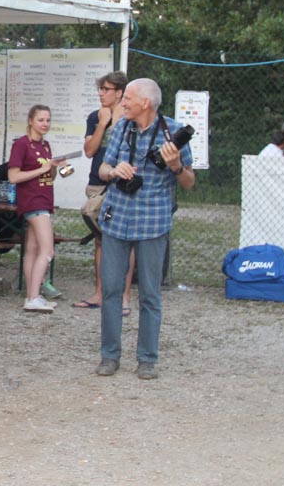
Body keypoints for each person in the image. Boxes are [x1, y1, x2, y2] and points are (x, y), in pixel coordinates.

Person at [95, 78, 195, 380]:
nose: (122, 102)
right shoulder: (121, 128)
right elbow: (102, 169)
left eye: (127, 98)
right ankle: (109, 356)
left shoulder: (173, 133)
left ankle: (147, 359)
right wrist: (114, 170)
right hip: (117, 218)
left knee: (150, 294)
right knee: (111, 290)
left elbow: (189, 183)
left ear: (145, 103)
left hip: (153, 222)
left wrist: (176, 166)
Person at [75, 71, 134, 315]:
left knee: (125, 241)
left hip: (122, 185)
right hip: (98, 184)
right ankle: (99, 293)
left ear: (119, 93)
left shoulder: (131, 118)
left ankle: (124, 297)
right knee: (100, 240)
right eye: (100, 89)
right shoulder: (94, 117)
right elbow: (89, 150)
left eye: (106, 89)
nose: (101, 93)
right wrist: (102, 123)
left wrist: (118, 120)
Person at [7, 105, 67, 313]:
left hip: (44, 198)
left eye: (48, 120)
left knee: (32, 249)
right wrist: (42, 169)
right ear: (31, 120)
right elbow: (13, 177)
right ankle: (33, 296)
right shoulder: (22, 144)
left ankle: (32, 295)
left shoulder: (46, 145)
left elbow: (49, 177)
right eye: (41, 120)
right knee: (47, 249)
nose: (45, 124)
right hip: (33, 201)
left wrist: (53, 167)